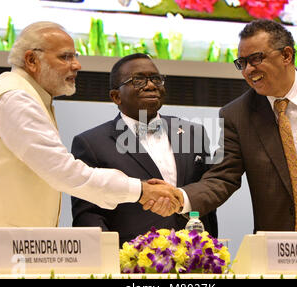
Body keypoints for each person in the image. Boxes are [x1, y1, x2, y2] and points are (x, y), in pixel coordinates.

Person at [146, 19, 297, 241]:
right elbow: (223, 176)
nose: (248, 70)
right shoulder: (236, 115)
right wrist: (180, 196)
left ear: (286, 55)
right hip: (284, 248)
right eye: (242, 63)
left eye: (256, 59)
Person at [0, 22, 180, 252]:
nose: (77, 65)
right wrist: (139, 190)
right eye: (65, 57)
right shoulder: (16, 98)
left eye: (75, 56)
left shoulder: (29, 96)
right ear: (31, 60)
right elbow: (65, 173)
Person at [71, 53, 218, 245]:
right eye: (138, 80)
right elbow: (88, 216)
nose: (150, 85)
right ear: (115, 96)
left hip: (195, 258)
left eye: (156, 79)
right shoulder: (91, 143)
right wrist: (110, 262)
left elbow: (207, 195)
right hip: (131, 264)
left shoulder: (193, 132)